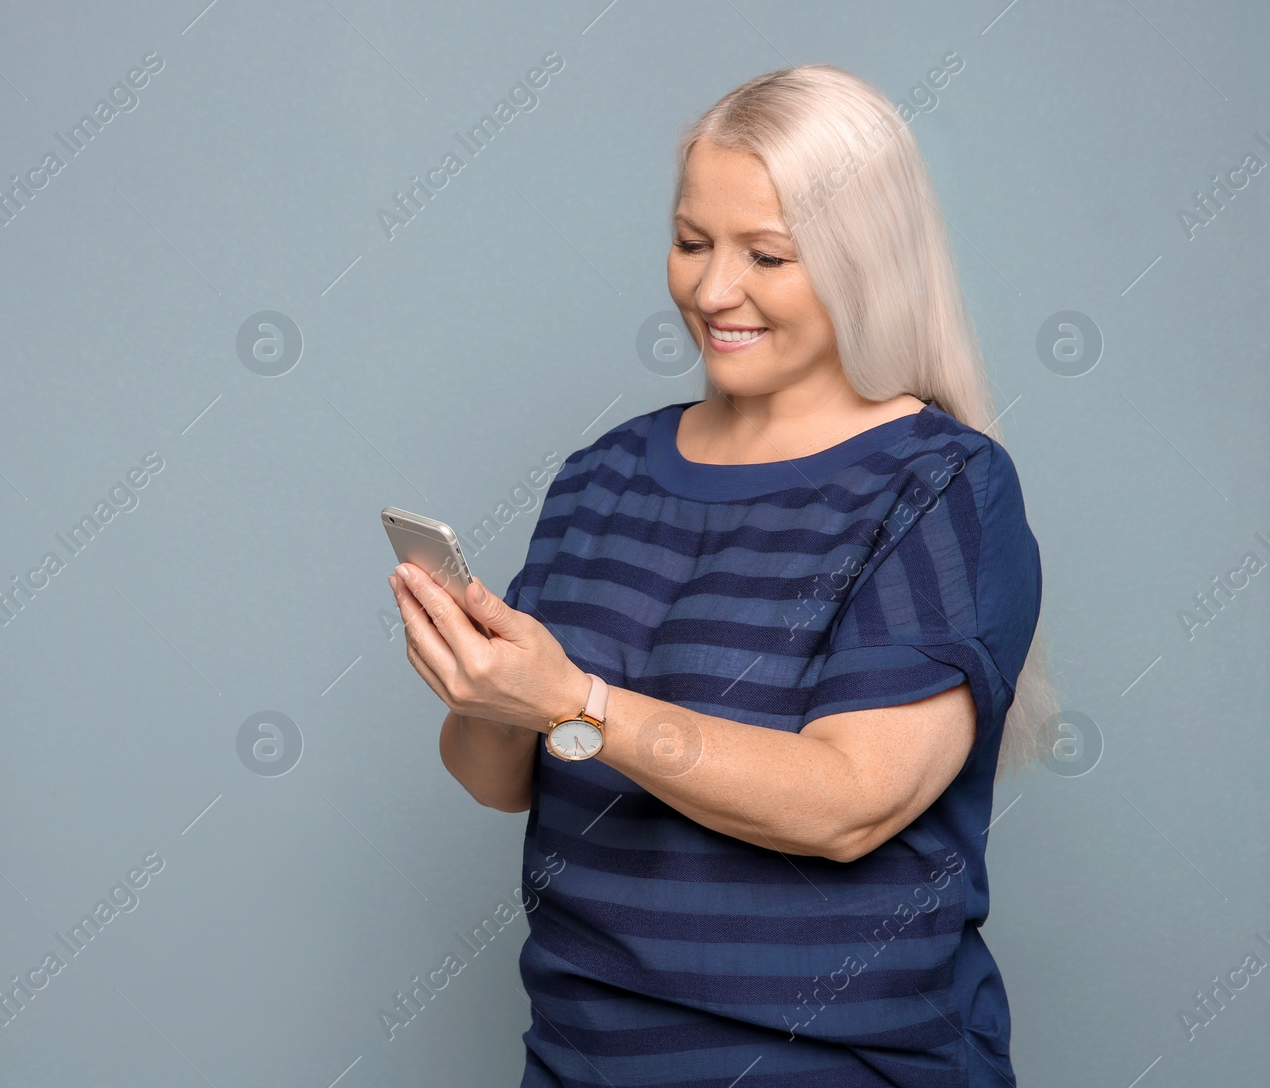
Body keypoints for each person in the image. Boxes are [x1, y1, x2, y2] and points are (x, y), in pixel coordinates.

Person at [387, 63, 1057, 1088]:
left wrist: (580, 701)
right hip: (579, 1059)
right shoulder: (603, 474)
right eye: (691, 241)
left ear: (861, 260)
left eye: (767, 255)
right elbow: (497, 779)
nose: (710, 289)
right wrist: (486, 693)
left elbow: (849, 802)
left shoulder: (941, 487)